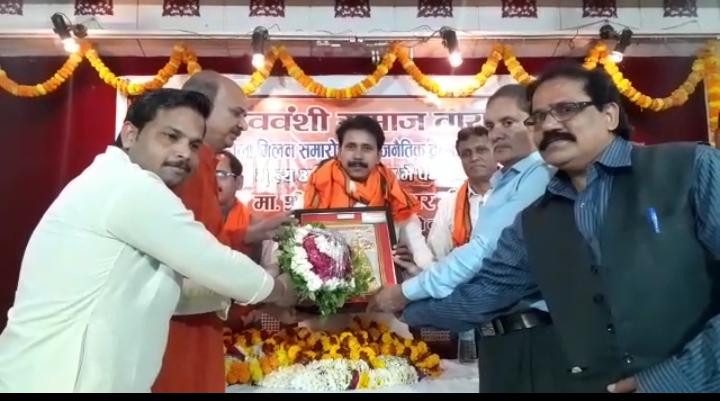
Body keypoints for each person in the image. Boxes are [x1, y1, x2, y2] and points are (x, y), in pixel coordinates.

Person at [402, 63, 720, 393]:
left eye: (567, 109)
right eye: (538, 117)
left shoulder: (692, 168)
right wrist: (401, 310)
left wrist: (672, 379)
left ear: (609, 115)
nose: (550, 125)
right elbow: (487, 292)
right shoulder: (535, 218)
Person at [0, 89, 296, 392]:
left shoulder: (116, 181)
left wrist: (243, 295)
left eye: (194, 145)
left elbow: (159, 292)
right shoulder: (127, 186)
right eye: (170, 136)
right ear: (130, 134)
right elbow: (212, 260)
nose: (184, 153)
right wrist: (281, 290)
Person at [372, 85, 573, 392]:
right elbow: (448, 258)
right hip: (496, 335)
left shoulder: (540, 177)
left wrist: (405, 295)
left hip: (531, 339)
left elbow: (483, 254)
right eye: (491, 126)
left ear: (534, 122)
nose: (496, 134)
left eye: (508, 122)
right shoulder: (508, 181)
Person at [153, 71, 291, 393]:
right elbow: (193, 258)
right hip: (180, 325)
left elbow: (203, 241)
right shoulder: (185, 168)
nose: (243, 125)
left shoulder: (204, 163)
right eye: (236, 113)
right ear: (201, 107)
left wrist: (250, 234)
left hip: (201, 319)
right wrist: (276, 290)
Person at [302, 115, 434, 272]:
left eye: (367, 148)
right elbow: (292, 245)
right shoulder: (317, 188)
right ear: (339, 152)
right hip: (323, 284)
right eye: (351, 147)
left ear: (378, 156)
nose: (358, 156)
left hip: (383, 285)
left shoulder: (396, 198)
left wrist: (412, 268)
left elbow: (423, 259)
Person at [426, 126, 495, 259]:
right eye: (466, 153)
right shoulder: (449, 204)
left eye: (481, 150)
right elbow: (436, 256)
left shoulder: (517, 193)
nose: (474, 158)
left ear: (496, 152)